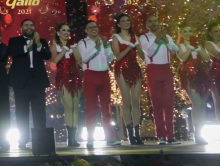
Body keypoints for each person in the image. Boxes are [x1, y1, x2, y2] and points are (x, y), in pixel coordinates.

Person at [8, 18, 51, 149]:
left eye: (31, 25)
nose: (29, 27)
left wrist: (37, 44)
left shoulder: (42, 41)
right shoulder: (14, 41)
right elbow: (12, 53)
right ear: (21, 28)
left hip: (37, 82)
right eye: (26, 25)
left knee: (39, 112)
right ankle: (23, 141)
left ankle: (40, 140)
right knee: (21, 112)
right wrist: (29, 45)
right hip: (21, 82)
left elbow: (47, 55)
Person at [139, 14, 179, 145]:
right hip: (153, 69)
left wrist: (167, 42)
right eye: (150, 21)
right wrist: (157, 40)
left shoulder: (166, 36)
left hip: (166, 70)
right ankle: (161, 135)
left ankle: (171, 136)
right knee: (157, 104)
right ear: (147, 24)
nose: (154, 23)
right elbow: (149, 53)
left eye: (156, 21)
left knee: (168, 102)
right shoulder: (144, 37)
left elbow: (176, 49)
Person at [75, 20, 116, 147]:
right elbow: (84, 59)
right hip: (90, 75)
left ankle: (110, 137)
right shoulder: (83, 43)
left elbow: (110, 58)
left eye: (95, 26)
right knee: (91, 108)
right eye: (90, 27)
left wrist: (107, 46)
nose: (94, 29)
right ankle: (90, 139)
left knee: (106, 109)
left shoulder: (103, 41)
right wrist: (97, 47)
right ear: (86, 31)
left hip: (104, 75)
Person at [111, 13, 144, 145]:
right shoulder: (115, 38)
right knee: (127, 101)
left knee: (136, 101)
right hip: (121, 69)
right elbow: (118, 57)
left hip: (134, 68)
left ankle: (137, 132)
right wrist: (130, 47)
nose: (126, 22)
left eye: (128, 20)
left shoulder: (135, 37)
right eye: (123, 21)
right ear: (118, 24)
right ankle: (130, 133)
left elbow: (141, 54)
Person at [177, 25, 211, 145]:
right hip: (189, 77)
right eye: (185, 31)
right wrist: (190, 48)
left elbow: (207, 58)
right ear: (181, 33)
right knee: (197, 103)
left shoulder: (198, 45)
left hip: (201, 76)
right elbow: (182, 58)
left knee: (201, 105)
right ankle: (197, 134)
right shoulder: (180, 46)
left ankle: (200, 133)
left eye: (190, 30)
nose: (188, 33)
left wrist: (198, 47)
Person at [51, 23, 82, 147]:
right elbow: (54, 62)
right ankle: (70, 138)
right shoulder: (55, 46)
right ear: (58, 33)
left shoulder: (74, 46)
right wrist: (64, 50)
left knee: (75, 107)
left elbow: (79, 63)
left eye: (68, 30)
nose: (66, 32)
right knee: (69, 107)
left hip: (75, 77)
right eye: (63, 30)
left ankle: (74, 137)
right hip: (63, 78)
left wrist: (76, 52)